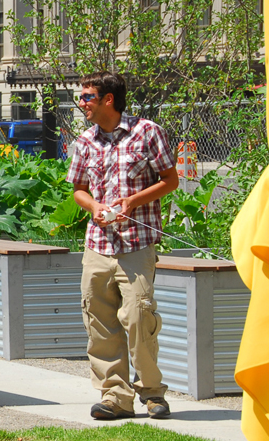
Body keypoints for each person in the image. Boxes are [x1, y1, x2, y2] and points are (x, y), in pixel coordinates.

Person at [66, 71, 179, 420]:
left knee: (138, 318)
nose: (81, 103)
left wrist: (133, 202)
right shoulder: (85, 140)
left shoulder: (148, 133)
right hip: (98, 245)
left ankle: (153, 394)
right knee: (99, 323)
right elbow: (78, 189)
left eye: (86, 97)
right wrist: (94, 207)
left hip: (136, 244)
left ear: (108, 100)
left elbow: (170, 181)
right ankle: (115, 397)